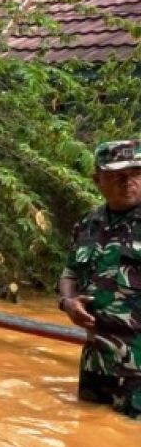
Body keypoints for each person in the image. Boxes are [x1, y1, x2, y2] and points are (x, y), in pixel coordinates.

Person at [59, 140, 141, 419]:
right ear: (97, 180)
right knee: (89, 442)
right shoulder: (87, 224)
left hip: (139, 371)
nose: (128, 182)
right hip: (96, 363)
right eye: (117, 175)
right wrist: (68, 301)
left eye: (136, 173)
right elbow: (70, 272)